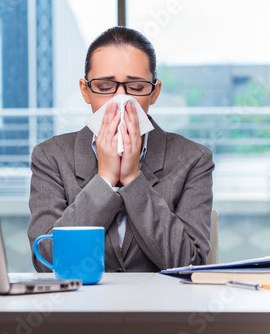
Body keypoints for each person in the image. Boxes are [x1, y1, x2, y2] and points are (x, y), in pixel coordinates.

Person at [27, 26, 214, 272]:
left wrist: (133, 179)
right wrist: (104, 180)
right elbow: (47, 261)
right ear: (85, 90)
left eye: (136, 88)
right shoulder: (51, 157)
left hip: (163, 307)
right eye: (105, 87)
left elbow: (188, 262)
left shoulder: (193, 159)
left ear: (154, 92)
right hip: (80, 308)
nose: (120, 99)